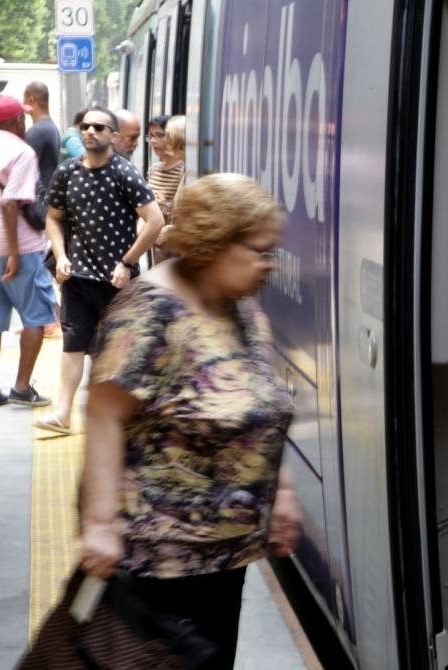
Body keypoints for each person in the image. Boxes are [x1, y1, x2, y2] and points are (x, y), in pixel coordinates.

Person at [79, 173, 303, 668]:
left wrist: (280, 490)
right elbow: (102, 416)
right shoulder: (149, 311)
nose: (270, 264)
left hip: (226, 553)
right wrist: (98, 524)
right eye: (261, 250)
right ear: (215, 241)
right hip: (161, 562)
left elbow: (256, 407)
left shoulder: (237, 306)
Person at [33, 106, 164, 435]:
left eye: (99, 128)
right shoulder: (67, 172)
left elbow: (155, 221)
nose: (90, 132)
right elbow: (53, 217)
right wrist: (61, 255)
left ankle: (119, 416)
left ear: (113, 136)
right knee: (72, 345)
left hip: (115, 281)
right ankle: (63, 413)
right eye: (86, 127)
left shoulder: (124, 173)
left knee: (116, 349)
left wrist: (128, 262)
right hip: (76, 278)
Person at [0, 95, 55, 408]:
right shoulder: (23, 153)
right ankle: (20, 387)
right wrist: (15, 253)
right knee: (36, 318)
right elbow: (10, 203)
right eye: (24, 119)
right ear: (17, 121)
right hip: (21, 250)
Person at [22, 81, 62, 338]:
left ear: (32, 99)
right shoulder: (51, 128)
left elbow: (22, 162)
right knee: (38, 260)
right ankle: (48, 317)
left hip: (38, 202)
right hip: (46, 199)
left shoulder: (38, 131)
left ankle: (52, 316)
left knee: (35, 261)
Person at [146, 115, 185, 263]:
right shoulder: (153, 170)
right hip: (159, 243)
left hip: (173, 243)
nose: (154, 141)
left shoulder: (183, 170)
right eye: (151, 136)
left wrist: (166, 206)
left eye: (161, 135)